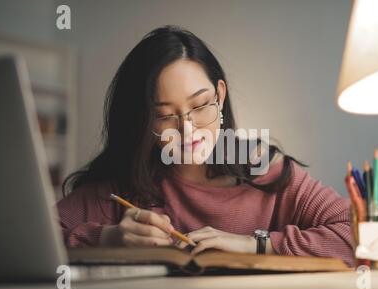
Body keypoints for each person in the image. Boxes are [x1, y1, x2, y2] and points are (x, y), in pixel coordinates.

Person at [58, 25, 354, 266]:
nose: (188, 129)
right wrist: (108, 239)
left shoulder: (265, 170)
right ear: (143, 121)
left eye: (200, 105)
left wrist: (256, 244)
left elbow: (355, 233)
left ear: (220, 96)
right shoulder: (122, 184)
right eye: (164, 115)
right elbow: (23, 243)